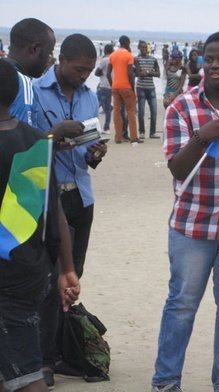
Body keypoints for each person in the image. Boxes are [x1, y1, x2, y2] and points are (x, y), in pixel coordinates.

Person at [150, 31, 219, 392]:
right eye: (208, 59)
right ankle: (166, 382)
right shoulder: (181, 106)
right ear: (201, 62)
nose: (215, 65)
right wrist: (203, 137)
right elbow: (177, 169)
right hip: (192, 223)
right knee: (181, 305)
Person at [33, 33, 108, 389]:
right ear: (61, 61)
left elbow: (85, 149)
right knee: (47, 282)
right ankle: (44, 359)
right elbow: (25, 147)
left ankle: (60, 349)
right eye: (80, 69)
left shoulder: (90, 96)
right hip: (47, 199)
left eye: (90, 71)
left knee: (71, 279)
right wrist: (54, 133)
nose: (84, 76)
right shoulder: (33, 91)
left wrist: (95, 155)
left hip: (81, 196)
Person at [0, 58, 80, 392]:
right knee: (15, 363)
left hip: (11, 278)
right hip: (31, 271)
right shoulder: (35, 140)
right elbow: (54, 212)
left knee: (27, 374)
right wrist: (66, 268)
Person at [107, 35, 142, 144]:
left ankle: (118, 137)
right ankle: (133, 137)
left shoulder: (112, 55)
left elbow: (108, 74)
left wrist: (112, 84)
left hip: (115, 87)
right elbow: (130, 74)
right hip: (126, 86)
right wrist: (132, 88)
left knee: (116, 111)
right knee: (130, 112)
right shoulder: (129, 56)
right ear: (127, 43)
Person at [135, 40, 161, 139]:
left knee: (154, 111)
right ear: (139, 48)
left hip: (151, 87)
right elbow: (138, 74)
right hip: (140, 87)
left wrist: (148, 72)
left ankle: (152, 132)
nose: (144, 49)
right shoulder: (136, 59)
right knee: (141, 112)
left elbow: (158, 73)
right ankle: (142, 132)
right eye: (142, 47)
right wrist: (147, 72)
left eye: (146, 47)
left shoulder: (153, 59)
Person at [95, 43, 114, 134]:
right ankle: (106, 128)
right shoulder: (114, 59)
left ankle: (94, 127)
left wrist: (101, 73)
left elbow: (96, 72)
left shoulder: (104, 60)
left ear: (105, 50)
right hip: (111, 86)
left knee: (95, 105)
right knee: (108, 109)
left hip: (103, 85)